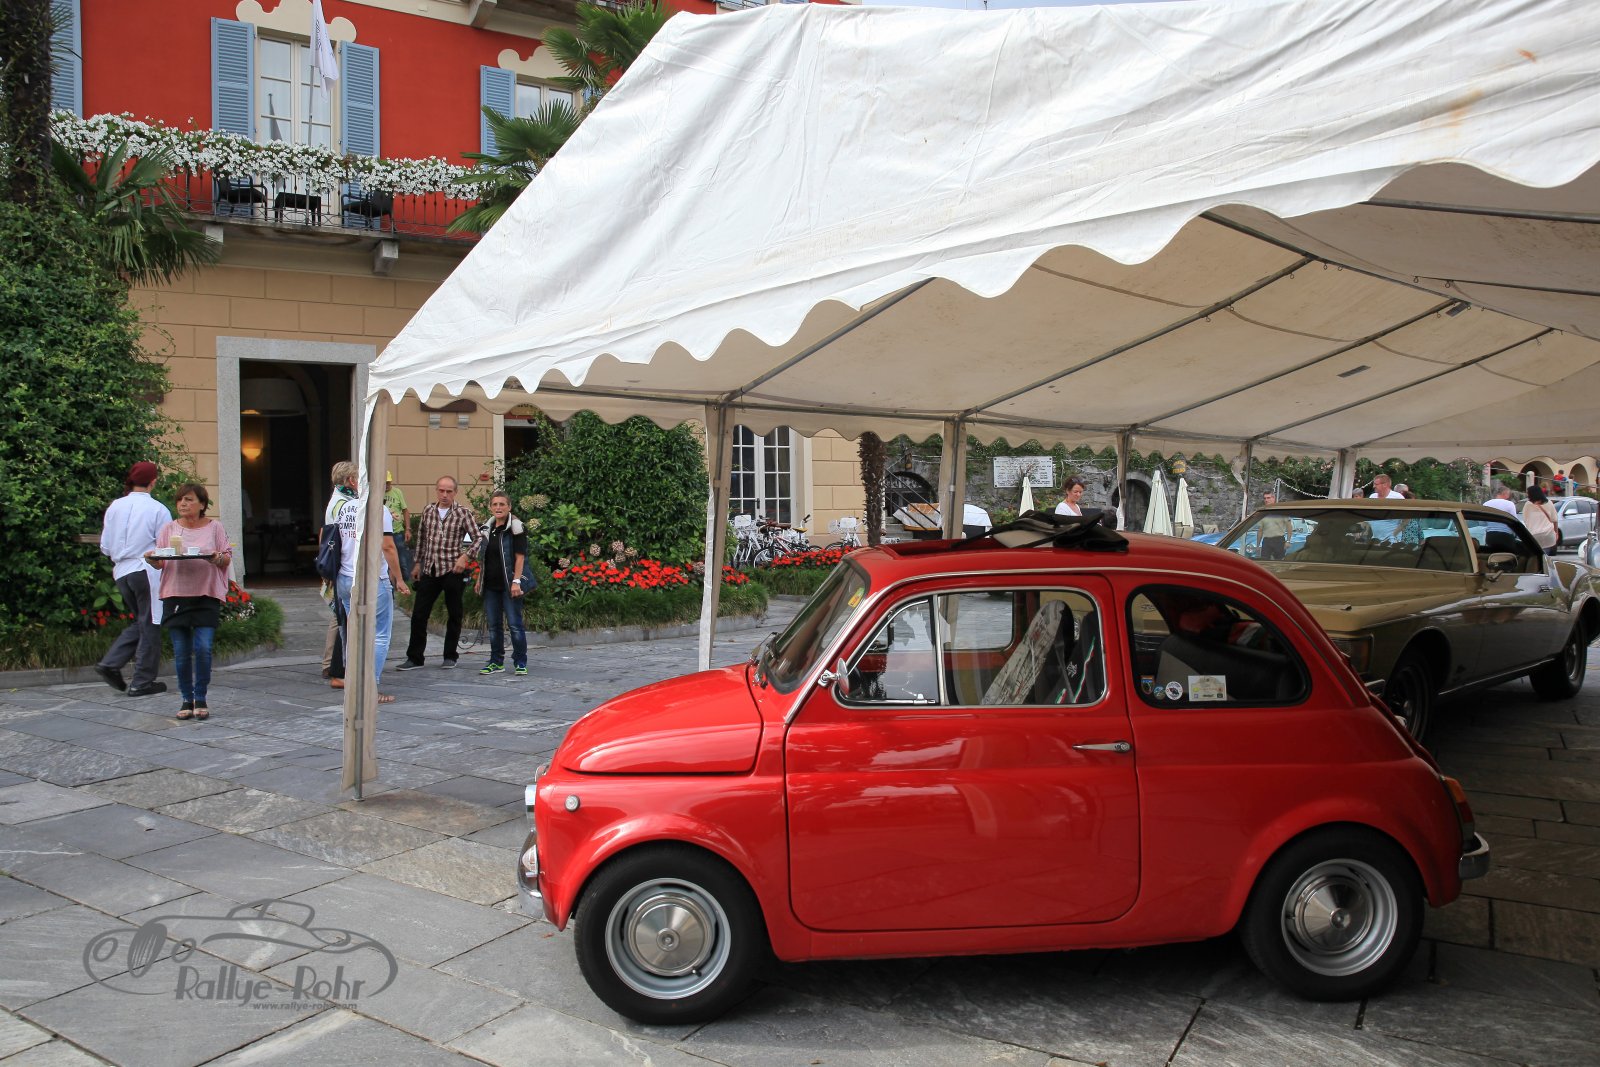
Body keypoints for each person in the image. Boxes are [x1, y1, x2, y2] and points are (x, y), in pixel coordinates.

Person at [146, 484, 231, 720]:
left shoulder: (215, 527)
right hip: (175, 595)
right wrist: (152, 559)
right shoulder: (169, 528)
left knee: (203, 648)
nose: (183, 504)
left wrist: (216, 558)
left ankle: (200, 696)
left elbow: (226, 558)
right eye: (180, 500)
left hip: (206, 594)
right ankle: (186, 698)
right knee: (181, 652)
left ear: (202, 504)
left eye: (189, 499)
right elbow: (161, 561)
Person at [331, 466, 410, 702]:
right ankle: (369, 689)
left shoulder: (345, 508)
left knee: (354, 633)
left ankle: (354, 685)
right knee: (380, 635)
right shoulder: (378, 509)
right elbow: (388, 546)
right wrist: (399, 578)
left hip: (346, 577)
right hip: (373, 578)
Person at [95, 461, 171, 697]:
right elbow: (165, 547)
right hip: (145, 568)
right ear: (153, 482)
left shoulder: (115, 506)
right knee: (151, 623)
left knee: (142, 621)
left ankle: (111, 663)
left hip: (121, 571)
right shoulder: (158, 509)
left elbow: (105, 546)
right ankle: (142, 681)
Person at [399, 476, 480, 670]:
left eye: (449, 491)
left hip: (452, 569)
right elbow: (422, 538)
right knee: (419, 614)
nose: (444, 495)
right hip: (430, 568)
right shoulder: (428, 510)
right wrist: (417, 563)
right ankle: (415, 657)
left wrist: (465, 557)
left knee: (454, 613)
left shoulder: (463, 513)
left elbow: (478, 538)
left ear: (455, 492)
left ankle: (450, 655)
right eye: (441, 491)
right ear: (437, 491)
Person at [475, 492, 530, 676]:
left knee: (515, 625)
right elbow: (484, 558)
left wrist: (516, 581)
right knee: (493, 626)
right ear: (490, 507)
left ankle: (520, 662)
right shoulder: (486, 528)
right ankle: (496, 661)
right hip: (491, 585)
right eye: (495, 504)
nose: (498, 507)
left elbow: (520, 557)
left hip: (509, 585)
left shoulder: (516, 527)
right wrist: (479, 579)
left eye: (502, 504)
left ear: (509, 507)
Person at [322, 462, 358, 690]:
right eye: (356, 478)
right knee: (343, 619)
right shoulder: (344, 504)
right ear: (350, 480)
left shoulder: (338, 500)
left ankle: (331, 665)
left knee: (339, 617)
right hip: (344, 567)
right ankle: (337, 668)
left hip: (339, 567)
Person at [384, 471, 412, 579]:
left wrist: (408, 529)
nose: (386, 485)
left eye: (388, 482)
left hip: (397, 531)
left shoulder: (397, 492)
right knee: (386, 562)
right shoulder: (377, 493)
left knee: (402, 560)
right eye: (384, 483)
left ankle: (405, 582)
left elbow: (405, 511)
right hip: (383, 533)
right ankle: (391, 584)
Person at [1521, 485, 1560, 555]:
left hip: (1534, 535)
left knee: (1536, 557)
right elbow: (1555, 520)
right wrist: (1556, 533)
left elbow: (1525, 519)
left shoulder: (1528, 505)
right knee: (1545, 557)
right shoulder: (1549, 503)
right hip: (1549, 535)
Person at [1257, 492, 1291, 560]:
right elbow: (1260, 530)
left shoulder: (1281, 511)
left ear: (1273, 498)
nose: (1266, 500)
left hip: (1279, 540)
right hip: (1266, 541)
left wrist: (1288, 541)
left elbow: (1289, 527)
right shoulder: (1263, 513)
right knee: (1264, 560)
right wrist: (1258, 545)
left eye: (1268, 498)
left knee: (1279, 561)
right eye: (1265, 498)